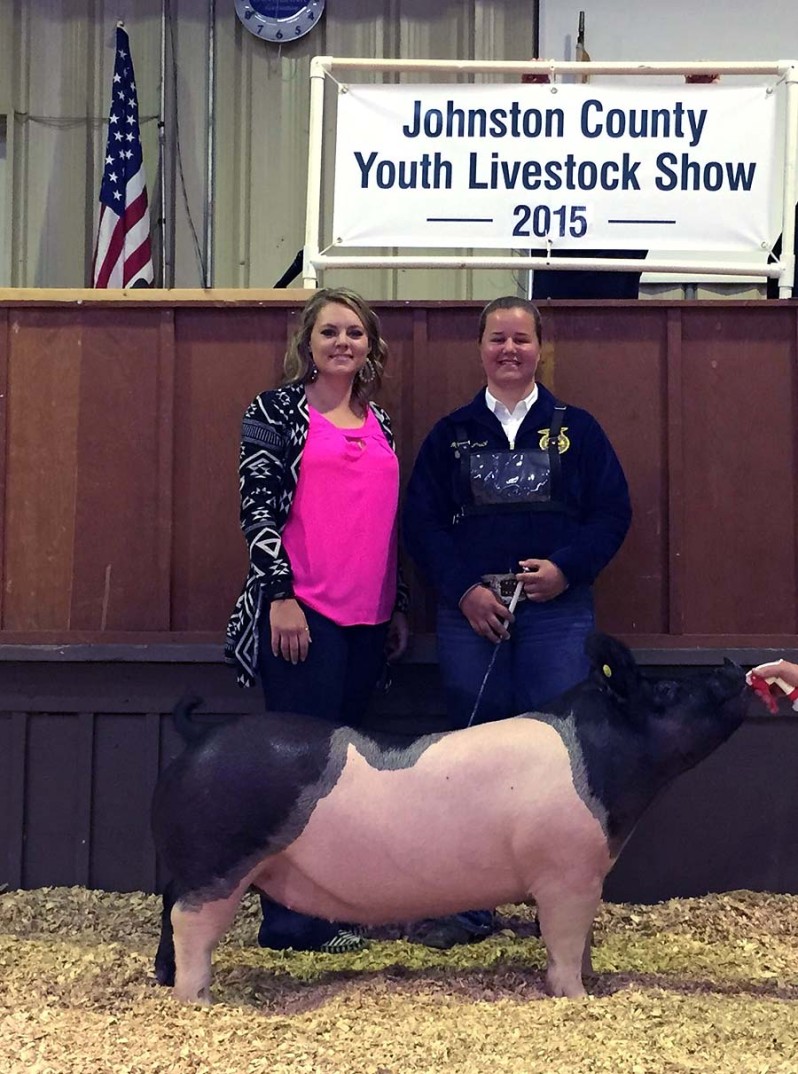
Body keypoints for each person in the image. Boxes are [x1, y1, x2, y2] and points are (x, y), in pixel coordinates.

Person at [402, 295, 632, 948]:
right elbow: (419, 523)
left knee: (559, 763)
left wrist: (566, 569)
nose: (509, 350)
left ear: (540, 349)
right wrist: (462, 590)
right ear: (480, 349)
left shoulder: (577, 431)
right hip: (471, 619)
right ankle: (469, 904)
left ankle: (556, 903)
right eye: (497, 339)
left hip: (557, 620)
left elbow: (612, 514)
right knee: (471, 758)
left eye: (521, 340)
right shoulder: (451, 435)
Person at [225, 286, 409, 953]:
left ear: (370, 348)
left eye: (354, 334)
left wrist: (398, 608)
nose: (342, 343)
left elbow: (386, 525)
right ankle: (288, 919)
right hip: (302, 617)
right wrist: (280, 594)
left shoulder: (380, 422)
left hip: (367, 621)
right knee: (300, 773)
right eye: (330, 332)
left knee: (344, 778)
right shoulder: (274, 412)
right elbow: (257, 510)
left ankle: (328, 907)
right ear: (306, 342)